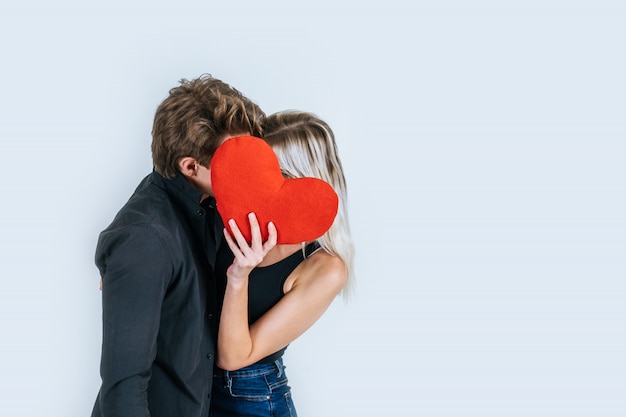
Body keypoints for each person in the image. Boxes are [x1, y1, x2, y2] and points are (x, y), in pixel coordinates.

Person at [91, 74, 265, 417]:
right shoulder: (144, 239)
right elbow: (123, 391)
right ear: (190, 166)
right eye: (235, 157)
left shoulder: (210, 203)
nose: (249, 168)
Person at [210, 111, 356, 417]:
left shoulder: (326, 268)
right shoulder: (237, 210)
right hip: (192, 385)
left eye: (275, 174)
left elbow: (235, 357)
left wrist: (239, 277)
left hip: (250, 398)